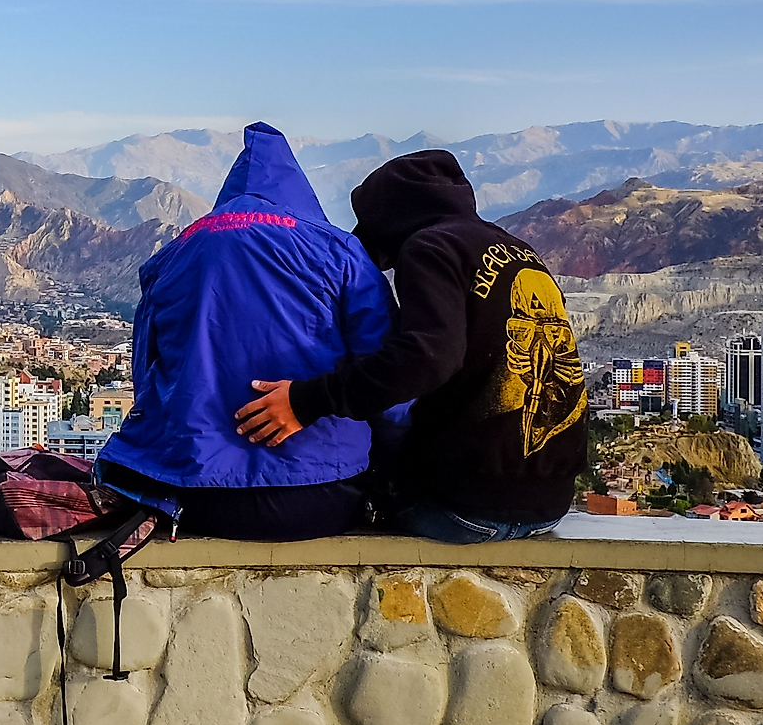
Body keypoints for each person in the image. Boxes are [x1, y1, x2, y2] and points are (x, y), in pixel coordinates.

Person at [235, 148, 588, 542]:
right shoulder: (519, 250)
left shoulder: (430, 248)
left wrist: (307, 401)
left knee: (349, 483)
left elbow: (427, 356)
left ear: (390, 218)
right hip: (549, 506)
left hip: (465, 510)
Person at [94, 122, 393, 540]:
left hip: (192, 494)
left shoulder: (175, 254)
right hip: (320, 495)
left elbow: (146, 376)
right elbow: (387, 380)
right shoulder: (340, 253)